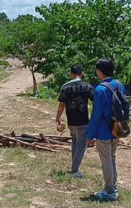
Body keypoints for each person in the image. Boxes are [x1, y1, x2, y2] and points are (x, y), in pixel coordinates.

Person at [87, 58, 125, 200]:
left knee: (106, 161)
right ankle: (113, 187)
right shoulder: (119, 85)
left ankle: (109, 191)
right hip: (117, 129)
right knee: (112, 158)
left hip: (103, 131)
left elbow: (96, 115)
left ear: (99, 71)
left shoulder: (100, 89)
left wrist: (90, 135)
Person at [56, 64, 94, 178]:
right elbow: (96, 102)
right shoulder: (87, 86)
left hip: (71, 121)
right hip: (83, 121)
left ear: (71, 74)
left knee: (75, 142)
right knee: (81, 145)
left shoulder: (66, 87)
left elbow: (61, 105)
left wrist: (57, 119)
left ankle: (74, 167)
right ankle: (74, 170)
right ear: (82, 73)